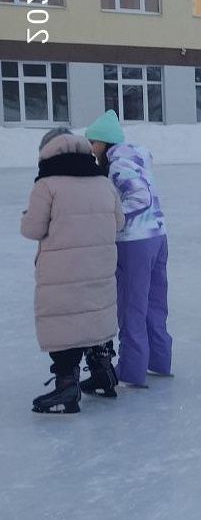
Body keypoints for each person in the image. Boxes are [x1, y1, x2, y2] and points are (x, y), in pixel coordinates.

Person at [22, 128, 124, 414]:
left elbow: (33, 229)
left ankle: (67, 384)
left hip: (62, 272)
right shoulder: (102, 182)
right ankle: (104, 372)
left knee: (66, 321)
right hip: (100, 266)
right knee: (95, 314)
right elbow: (119, 222)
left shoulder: (47, 185)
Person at [85, 109, 174, 389]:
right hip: (158, 236)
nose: (91, 148)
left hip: (134, 243)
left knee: (131, 305)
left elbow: (140, 196)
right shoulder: (138, 158)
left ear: (105, 142)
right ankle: (159, 361)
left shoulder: (118, 165)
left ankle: (131, 370)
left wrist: (112, 220)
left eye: (93, 142)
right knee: (154, 304)